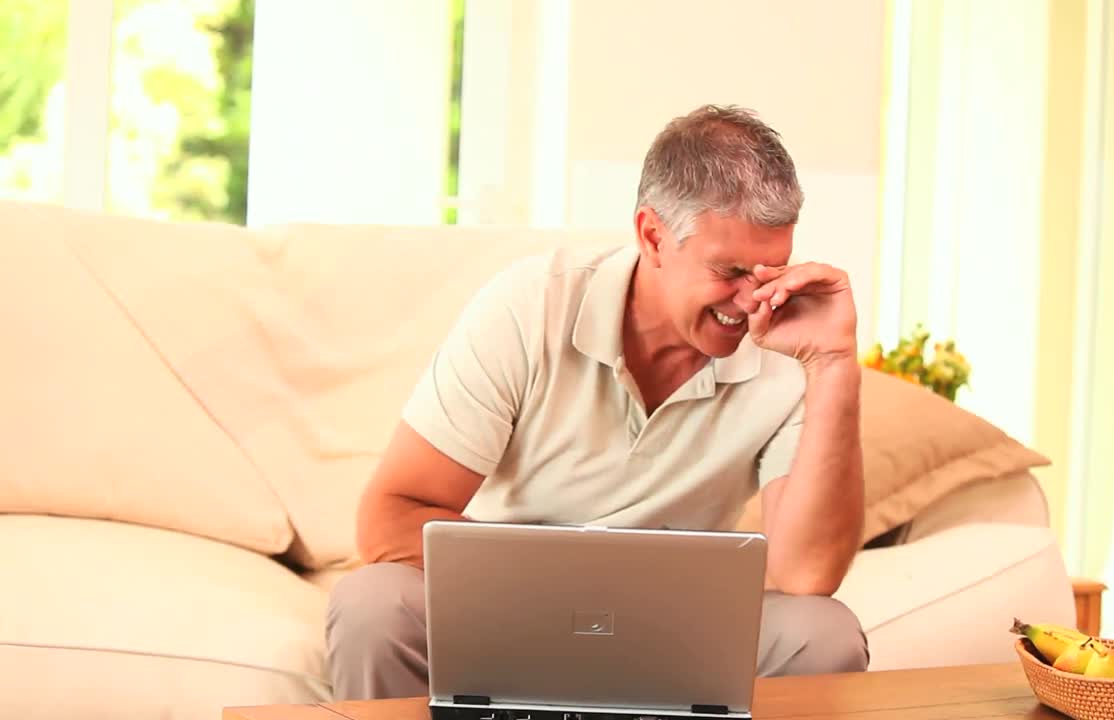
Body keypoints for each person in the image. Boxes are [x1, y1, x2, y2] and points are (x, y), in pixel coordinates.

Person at [326, 104, 869, 700]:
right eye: (728, 270)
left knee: (823, 634)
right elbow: (389, 519)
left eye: (768, 273)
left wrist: (834, 363)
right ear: (652, 236)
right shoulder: (530, 306)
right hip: (507, 606)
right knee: (372, 604)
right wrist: (575, 587)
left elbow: (806, 573)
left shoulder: (790, 349)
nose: (750, 302)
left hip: (674, 625)